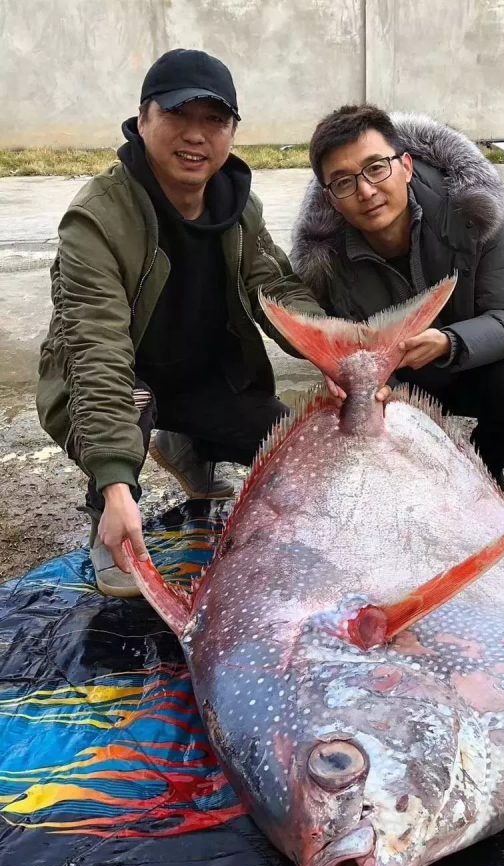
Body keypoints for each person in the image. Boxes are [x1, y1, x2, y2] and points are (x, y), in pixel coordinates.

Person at [36, 49, 323, 598]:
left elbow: (277, 289)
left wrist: (336, 350)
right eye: (177, 116)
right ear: (142, 120)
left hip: (201, 378)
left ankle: (188, 447)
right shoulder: (96, 217)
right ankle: (106, 512)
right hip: (123, 380)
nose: (196, 136)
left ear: (232, 132)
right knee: (129, 410)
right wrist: (116, 483)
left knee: (293, 451)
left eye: (213, 120)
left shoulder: (239, 205)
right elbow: (95, 352)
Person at [291, 104, 504, 495]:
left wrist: (450, 342)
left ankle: (483, 475)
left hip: (470, 363)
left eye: (376, 168)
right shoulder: (324, 257)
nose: (366, 191)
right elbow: (329, 334)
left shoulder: (473, 214)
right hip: (390, 379)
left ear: (407, 166)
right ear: (331, 198)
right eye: (344, 182)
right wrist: (350, 376)